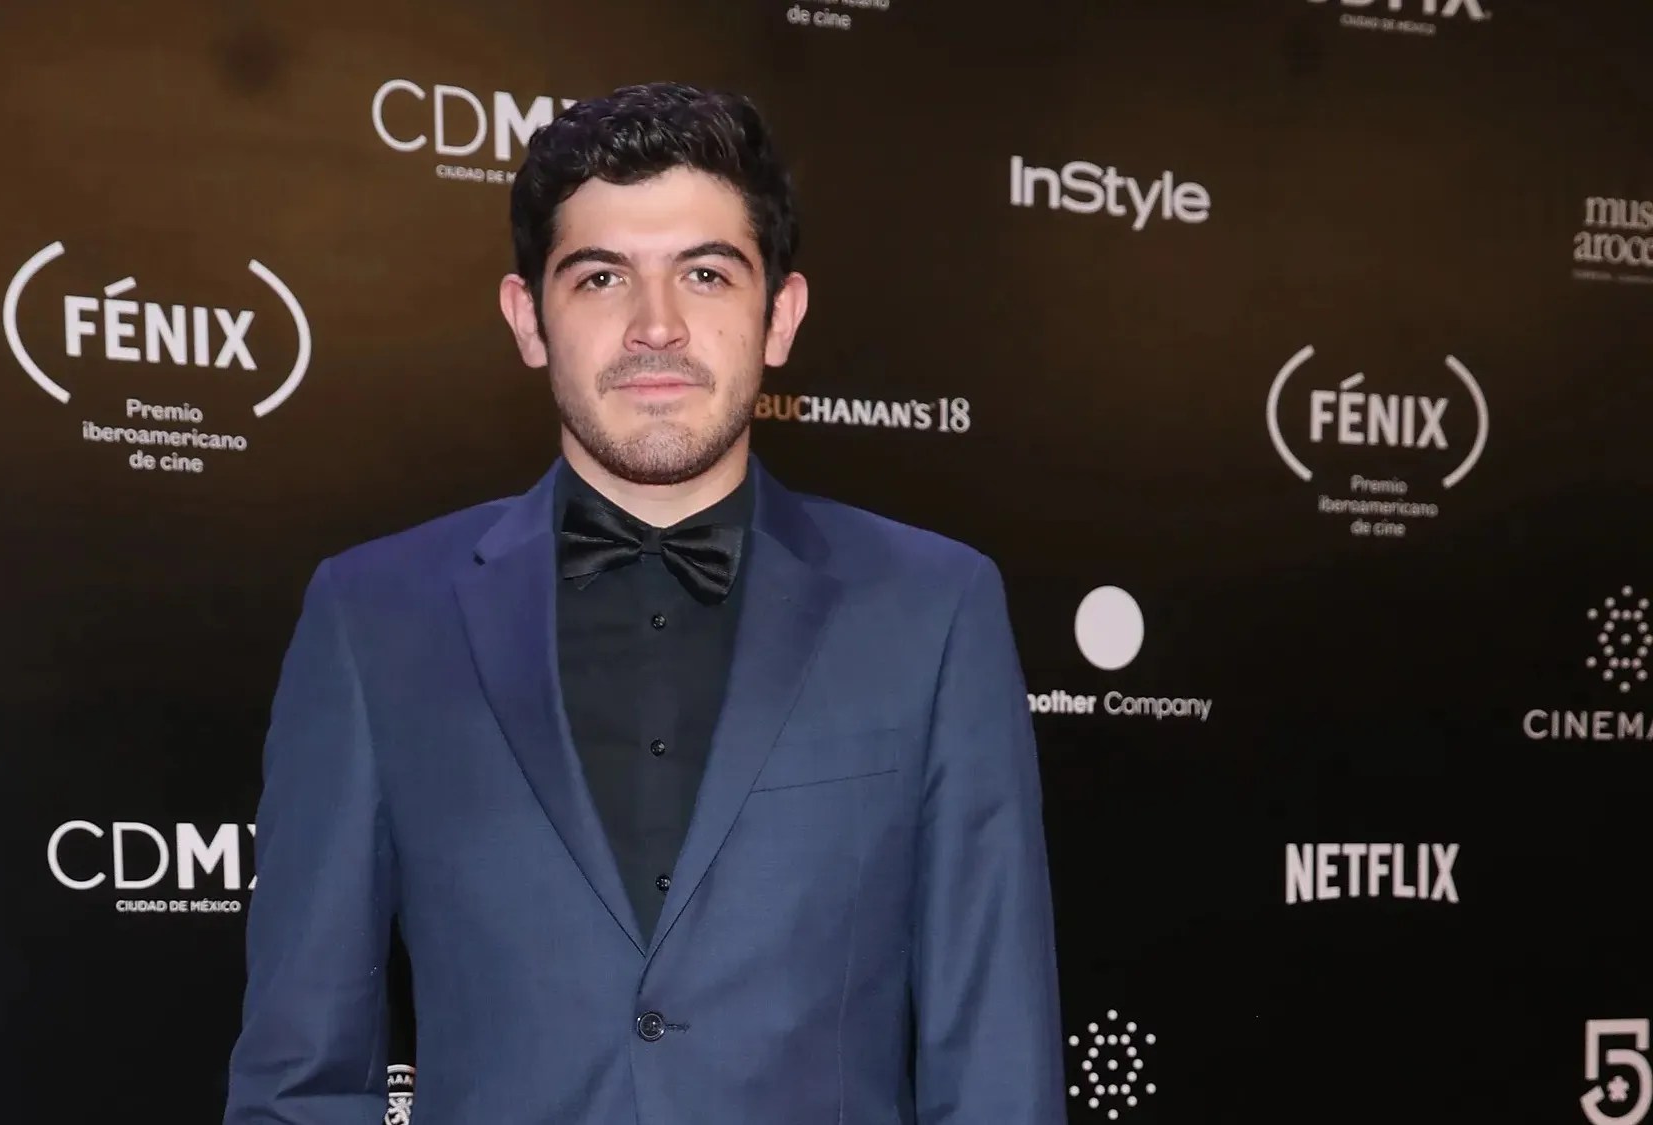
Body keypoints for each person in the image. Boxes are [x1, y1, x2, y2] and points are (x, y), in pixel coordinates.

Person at [222, 81, 1065, 1125]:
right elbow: (301, 1077)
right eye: (600, 277)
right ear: (528, 319)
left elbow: (994, 1064)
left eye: (705, 274)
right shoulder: (373, 618)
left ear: (780, 316)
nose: (655, 326)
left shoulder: (933, 609)